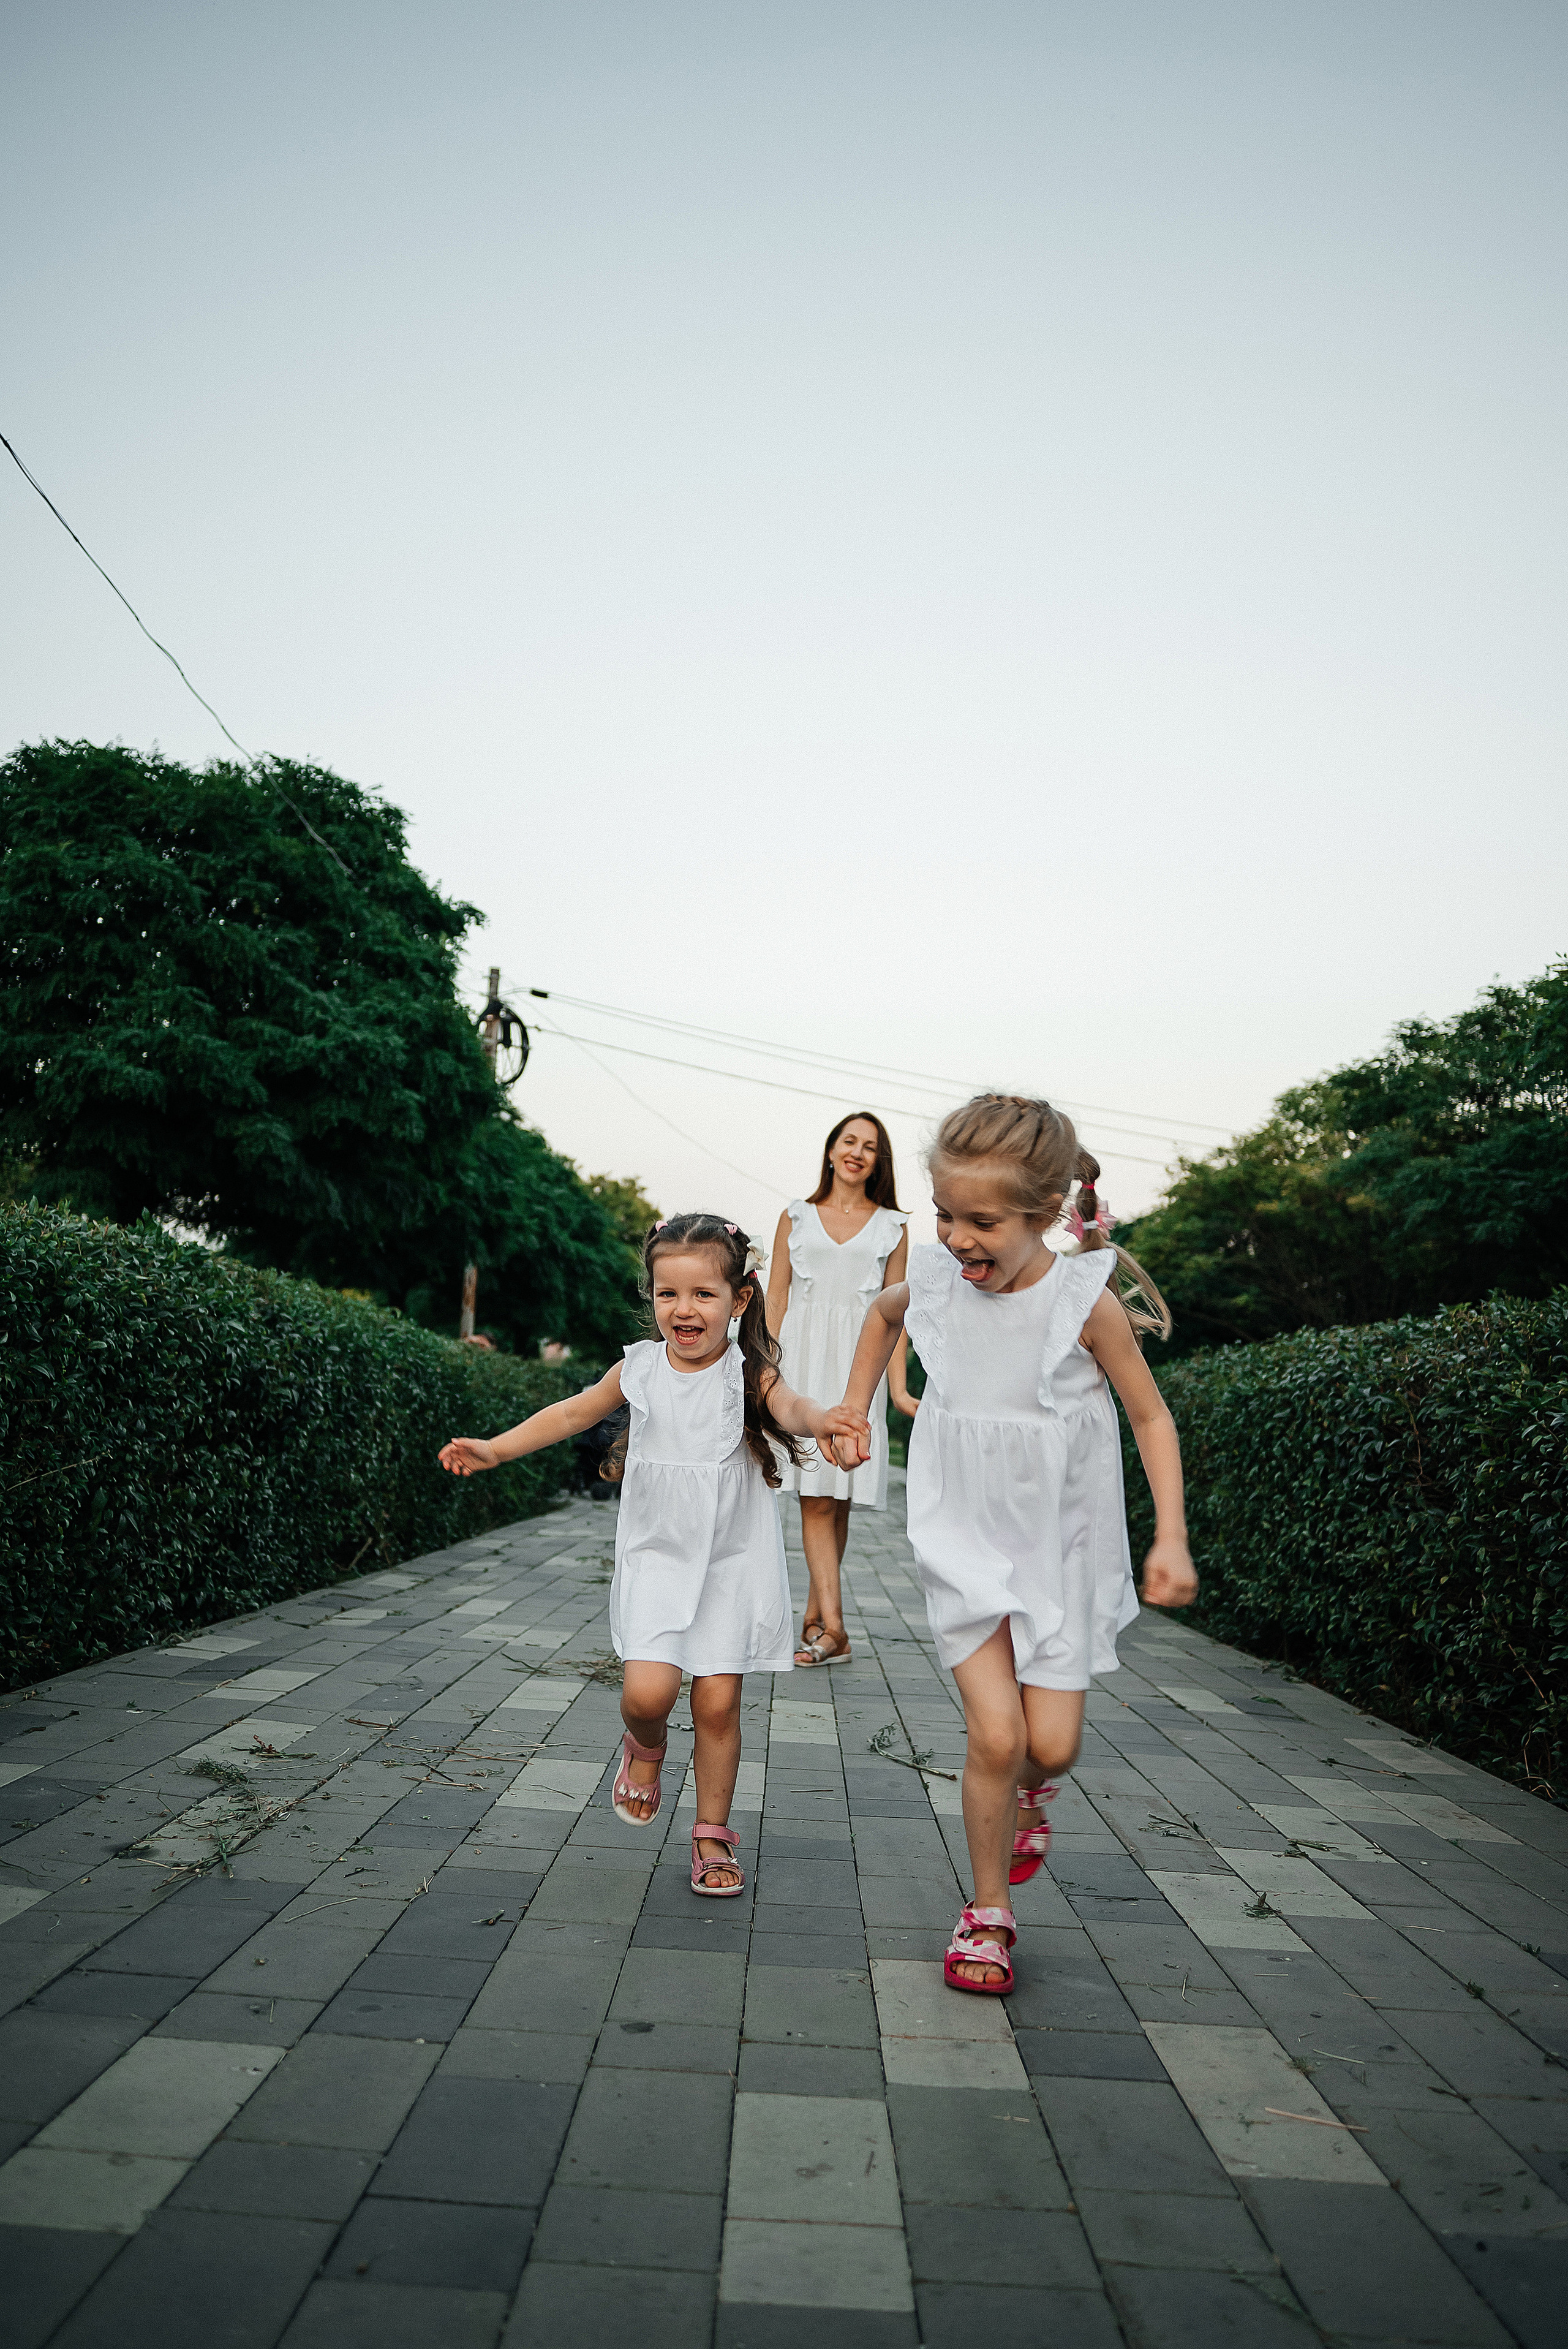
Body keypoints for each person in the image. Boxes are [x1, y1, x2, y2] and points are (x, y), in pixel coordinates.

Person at [827, 1095, 1197, 1992]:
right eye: (947, 1214)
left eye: (983, 1221)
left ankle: (1037, 1791)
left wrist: (1173, 1538)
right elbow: (881, 1318)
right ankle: (987, 1914)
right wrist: (853, 1405)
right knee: (997, 1735)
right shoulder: (941, 1285)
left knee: (1052, 1743)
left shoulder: (1085, 1300)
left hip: (1064, 1546)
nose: (958, 1238)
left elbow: (1149, 1415)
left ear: (1044, 1215)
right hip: (962, 1534)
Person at [439, 1212, 864, 1894]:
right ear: (652, 1297)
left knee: (719, 1707)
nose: (684, 1309)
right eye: (668, 1294)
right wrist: (494, 1448)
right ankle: (644, 1748)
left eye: (703, 1294)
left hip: (730, 1565)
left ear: (739, 1299)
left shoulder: (746, 1372)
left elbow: (793, 1408)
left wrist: (826, 1420)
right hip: (659, 1559)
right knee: (647, 1694)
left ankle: (711, 1837)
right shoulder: (638, 1367)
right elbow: (572, 1413)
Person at [766, 1113, 917, 1667]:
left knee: (838, 1498)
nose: (858, 1152)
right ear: (831, 1150)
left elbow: (896, 1317)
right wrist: (764, 1368)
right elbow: (776, 1298)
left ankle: (815, 1619)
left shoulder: (894, 1226)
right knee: (815, 1494)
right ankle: (834, 1627)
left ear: (880, 1161)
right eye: (849, 1141)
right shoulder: (794, 1216)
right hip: (800, 1363)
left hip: (860, 1366)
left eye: (871, 1146)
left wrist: (898, 1392)